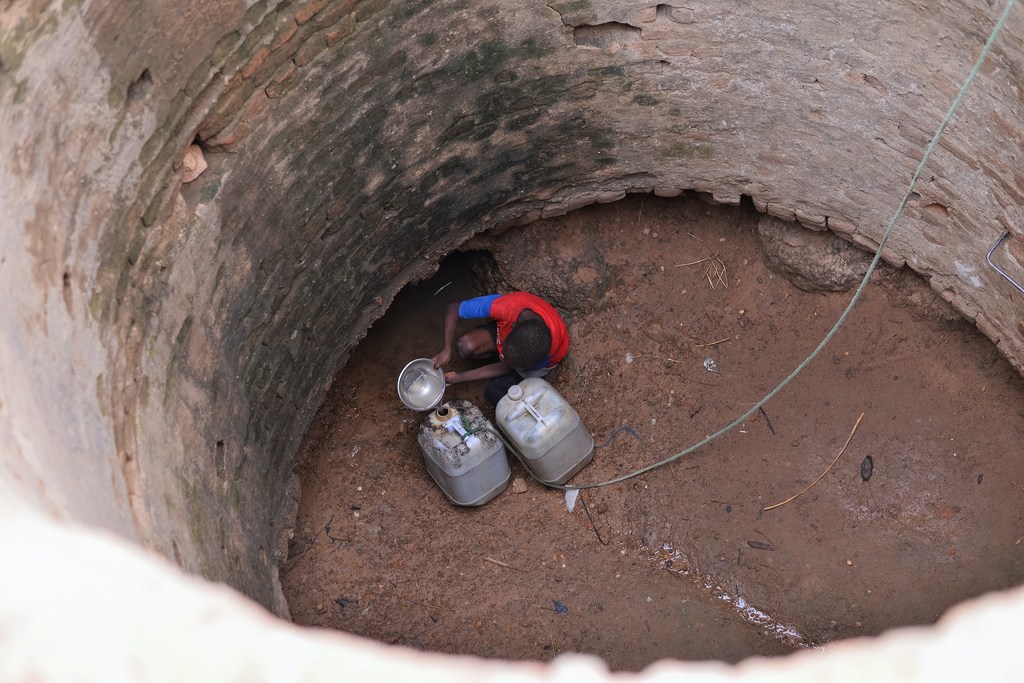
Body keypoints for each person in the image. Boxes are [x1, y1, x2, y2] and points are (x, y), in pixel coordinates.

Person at [431, 292, 569, 404]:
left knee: (495, 392)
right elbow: (453, 309)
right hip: (513, 334)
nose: (502, 355)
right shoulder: (504, 308)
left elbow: (508, 366)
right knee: (464, 346)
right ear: (513, 327)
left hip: (539, 364)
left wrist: (461, 377)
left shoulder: (551, 350)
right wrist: (446, 349)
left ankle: (533, 379)